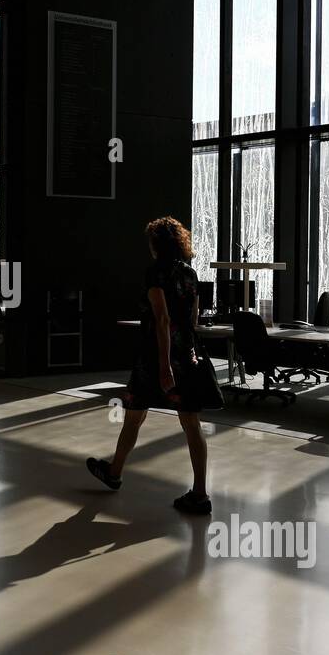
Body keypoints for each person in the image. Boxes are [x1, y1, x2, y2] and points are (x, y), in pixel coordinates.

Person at [86, 216, 213, 513]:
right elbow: (192, 319)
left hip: (156, 356)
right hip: (186, 354)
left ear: (156, 245)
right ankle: (199, 493)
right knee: (191, 423)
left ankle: (115, 472)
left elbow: (162, 319)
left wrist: (164, 364)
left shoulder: (155, 274)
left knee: (134, 416)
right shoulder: (190, 275)